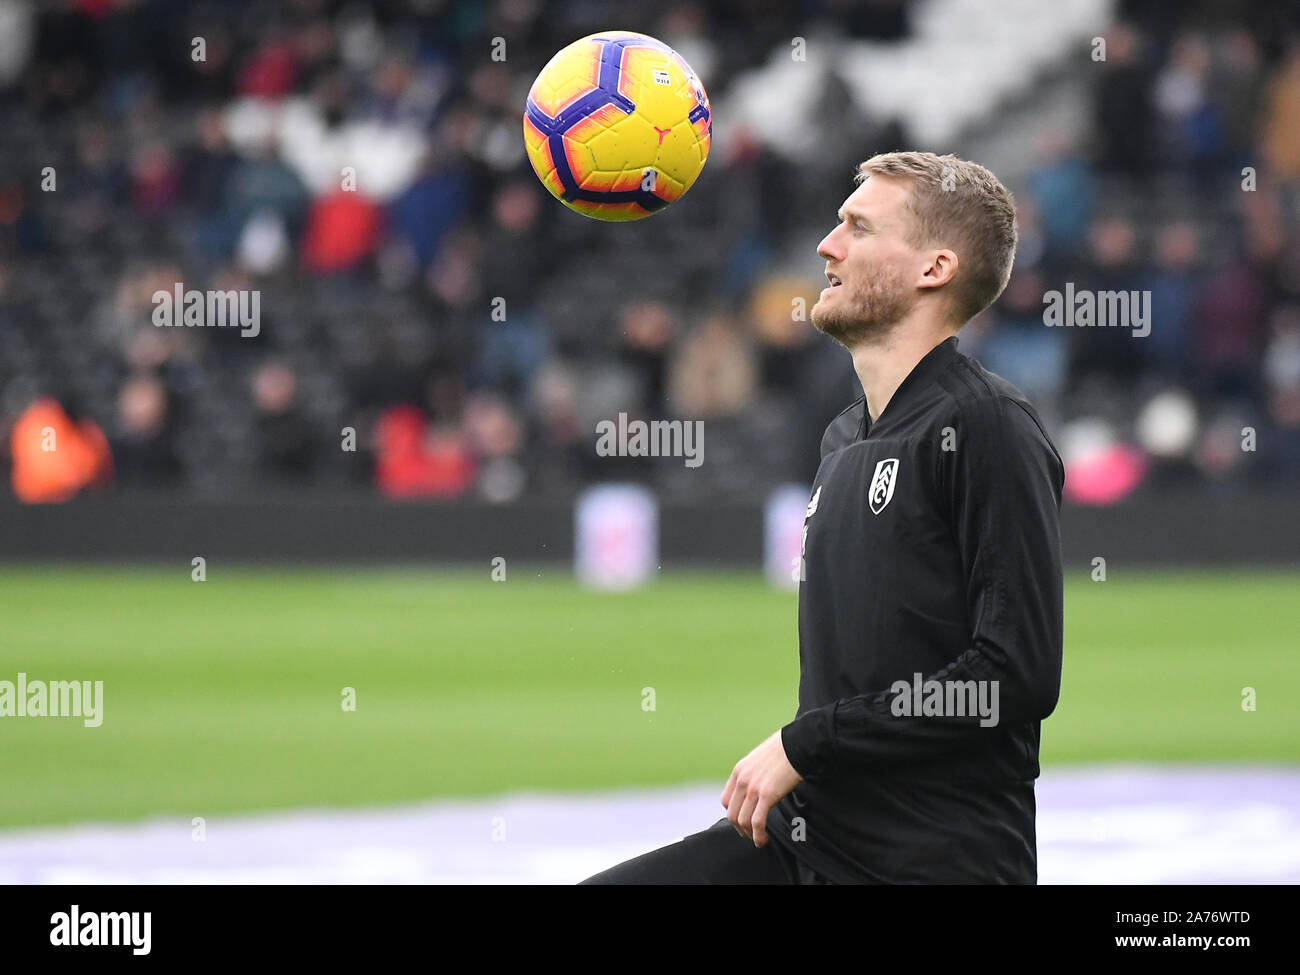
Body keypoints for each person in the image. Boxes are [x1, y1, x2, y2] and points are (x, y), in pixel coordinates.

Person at [581, 151, 1065, 884]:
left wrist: (809, 742)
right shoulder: (844, 436)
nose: (825, 246)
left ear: (933, 268)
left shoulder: (987, 425)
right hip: (812, 838)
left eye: (857, 228)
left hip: (929, 861)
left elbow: (1012, 675)